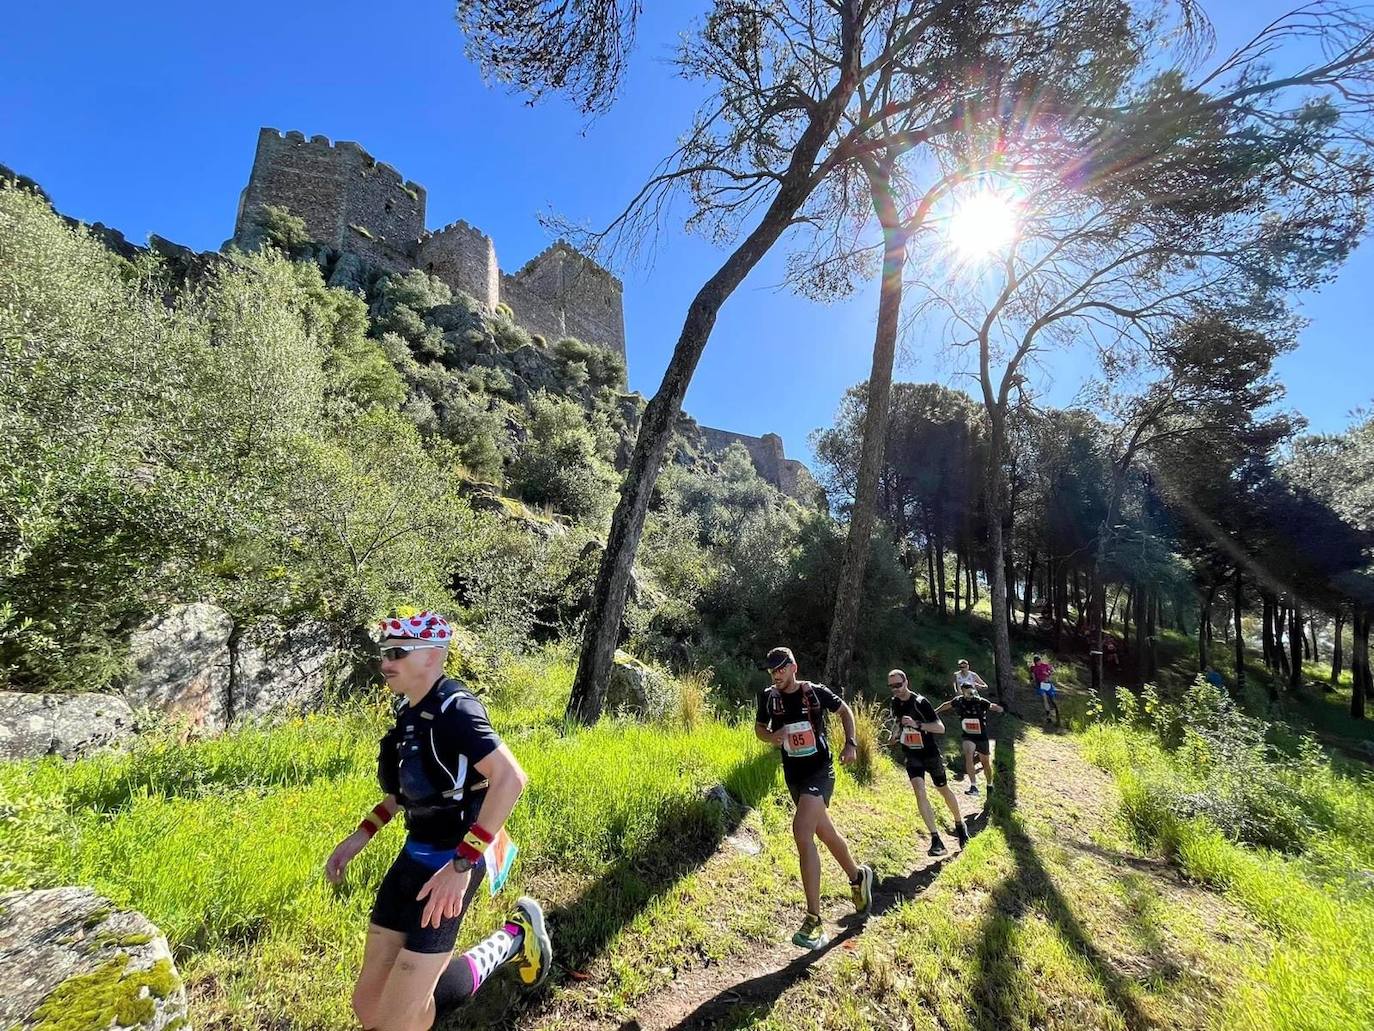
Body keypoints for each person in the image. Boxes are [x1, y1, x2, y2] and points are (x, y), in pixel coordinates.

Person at [325, 611, 552, 1030]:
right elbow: (410, 789)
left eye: (396, 653)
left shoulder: (456, 710)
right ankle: (515, 938)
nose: (385, 662)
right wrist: (361, 834)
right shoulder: (409, 710)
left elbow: (510, 778)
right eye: (383, 653)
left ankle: (515, 938)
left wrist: (462, 864)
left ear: (431, 657)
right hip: (415, 857)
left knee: (397, 1021)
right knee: (368, 1007)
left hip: (454, 862)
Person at [754, 646, 874, 950]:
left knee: (802, 831)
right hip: (793, 775)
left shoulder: (815, 692)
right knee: (826, 833)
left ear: (794, 666)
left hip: (820, 772)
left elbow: (845, 711)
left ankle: (813, 919)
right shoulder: (768, 697)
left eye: (781, 668)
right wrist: (772, 737)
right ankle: (858, 876)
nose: (776, 674)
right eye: (772, 670)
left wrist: (851, 744)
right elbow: (759, 728)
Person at [887, 669, 968, 855]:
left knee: (943, 789)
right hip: (911, 754)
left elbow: (940, 728)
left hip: (930, 753)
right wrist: (895, 735)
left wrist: (917, 725)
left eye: (898, 685)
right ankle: (935, 839)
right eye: (892, 686)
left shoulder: (920, 702)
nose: (896, 689)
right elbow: (898, 724)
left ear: (906, 682)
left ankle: (959, 823)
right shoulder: (894, 703)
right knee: (919, 791)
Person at [936, 660, 1003, 796]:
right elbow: (947, 704)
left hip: (981, 735)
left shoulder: (979, 701)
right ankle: (973, 786)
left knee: (985, 762)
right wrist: (935, 711)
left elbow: (992, 706)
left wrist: (1002, 709)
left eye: (968, 692)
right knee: (968, 755)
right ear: (962, 692)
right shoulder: (958, 700)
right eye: (964, 692)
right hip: (968, 735)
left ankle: (989, 784)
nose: (966, 694)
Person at [1030, 654, 1060, 726]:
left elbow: (1052, 671)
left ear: (1040, 660)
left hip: (1048, 684)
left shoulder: (1045, 665)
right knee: (1044, 698)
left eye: (1039, 661)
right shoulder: (1033, 668)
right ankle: (1048, 717)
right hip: (1041, 685)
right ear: (1034, 662)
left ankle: (1057, 715)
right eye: (1036, 662)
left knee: (1053, 700)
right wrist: (1034, 681)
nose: (1038, 663)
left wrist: (1048, 674)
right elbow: (1033, 677)